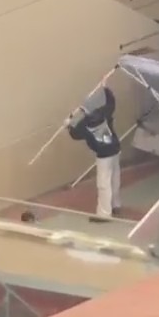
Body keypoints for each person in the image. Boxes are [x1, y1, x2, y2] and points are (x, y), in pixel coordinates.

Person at [68, 87, 121, 220]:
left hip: (103, 155)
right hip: (115, 149)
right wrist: (106, 88)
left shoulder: (84, 124)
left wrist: (68, 125)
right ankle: (115, 205)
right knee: (115, 178)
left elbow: (75, 135)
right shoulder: (103, 112)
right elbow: (111, 103)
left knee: (103, 184)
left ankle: (104, 214)